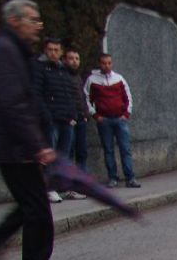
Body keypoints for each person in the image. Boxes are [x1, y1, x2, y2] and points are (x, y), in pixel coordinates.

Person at [0, 0, 67, 260]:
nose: (37, 26)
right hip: (12, 144)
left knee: (30, 201)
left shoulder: (12, 51)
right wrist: (36, 144)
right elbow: (13, 102)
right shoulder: (4, 51)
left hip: (12, 142)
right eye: (32, 20)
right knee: (36, 204)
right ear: (14, 21)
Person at [85, 53, 139, 188]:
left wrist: (126, 113)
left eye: (109, 63)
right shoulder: (92, 80)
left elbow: (128, 97)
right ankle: (112, 177)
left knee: (125, 149)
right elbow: (86, 99)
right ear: (100, 63)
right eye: (104, 63)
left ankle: (130, 177)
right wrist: (95, 115)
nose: (107, 66)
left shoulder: (119, 79)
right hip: (104, 120)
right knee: (108, 149)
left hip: (120, 118)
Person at [33, 37, 76, 203]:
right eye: (50, 49)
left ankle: (61, 187)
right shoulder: (40, 68)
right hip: (51, 120)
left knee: (63, 156)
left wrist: (73, 115)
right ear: (45, 50)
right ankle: (49, 189)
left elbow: (70, 94)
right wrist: (46, 117)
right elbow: (36, 94)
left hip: (66, 120)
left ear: (61, 52)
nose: (53, 53)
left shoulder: (63, 69)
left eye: (56, 50)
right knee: (50, 156)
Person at [63, 47, 90, 177]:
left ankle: (82, 180)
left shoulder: (78, 77)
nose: (74, 61)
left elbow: (82, 97)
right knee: (69, 151)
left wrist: (85, 114)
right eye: (71, 58)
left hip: (81, 118)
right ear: (65, 60)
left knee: (82, 151)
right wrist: (69, 116)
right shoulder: (63, 76)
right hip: (70, 119)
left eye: (77, 58)